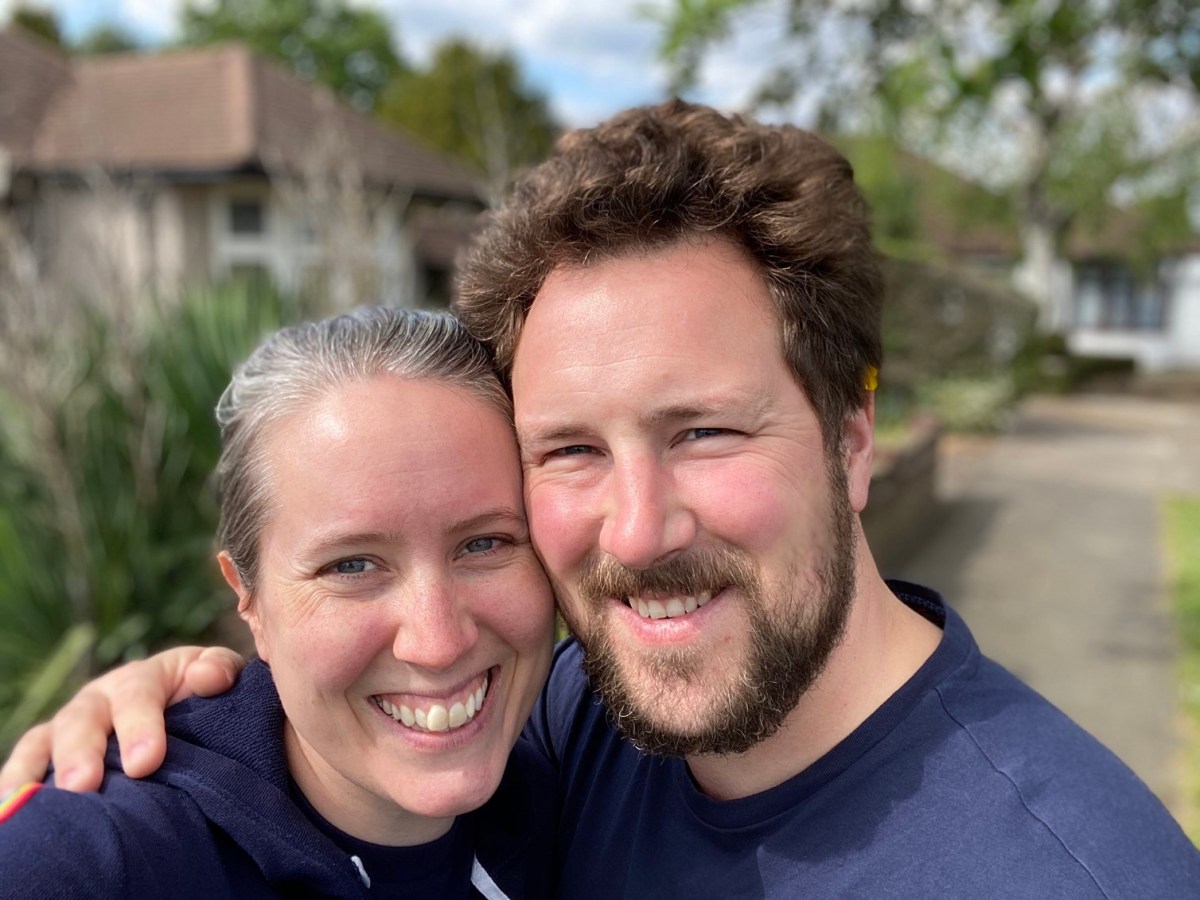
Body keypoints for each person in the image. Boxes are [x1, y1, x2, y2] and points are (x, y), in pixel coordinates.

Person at [5, 100, 1199, 896]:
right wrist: (166, 718)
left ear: (851, 440)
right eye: (570, 450)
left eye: (707, 431)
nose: (639, 533)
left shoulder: (1066, 870)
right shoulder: (586, 719)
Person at [0, 308, 556, 898]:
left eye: (484, 543)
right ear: (249, 599)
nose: (439, 642)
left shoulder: (574, 781)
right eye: (351, 566)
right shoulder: (100, 857)